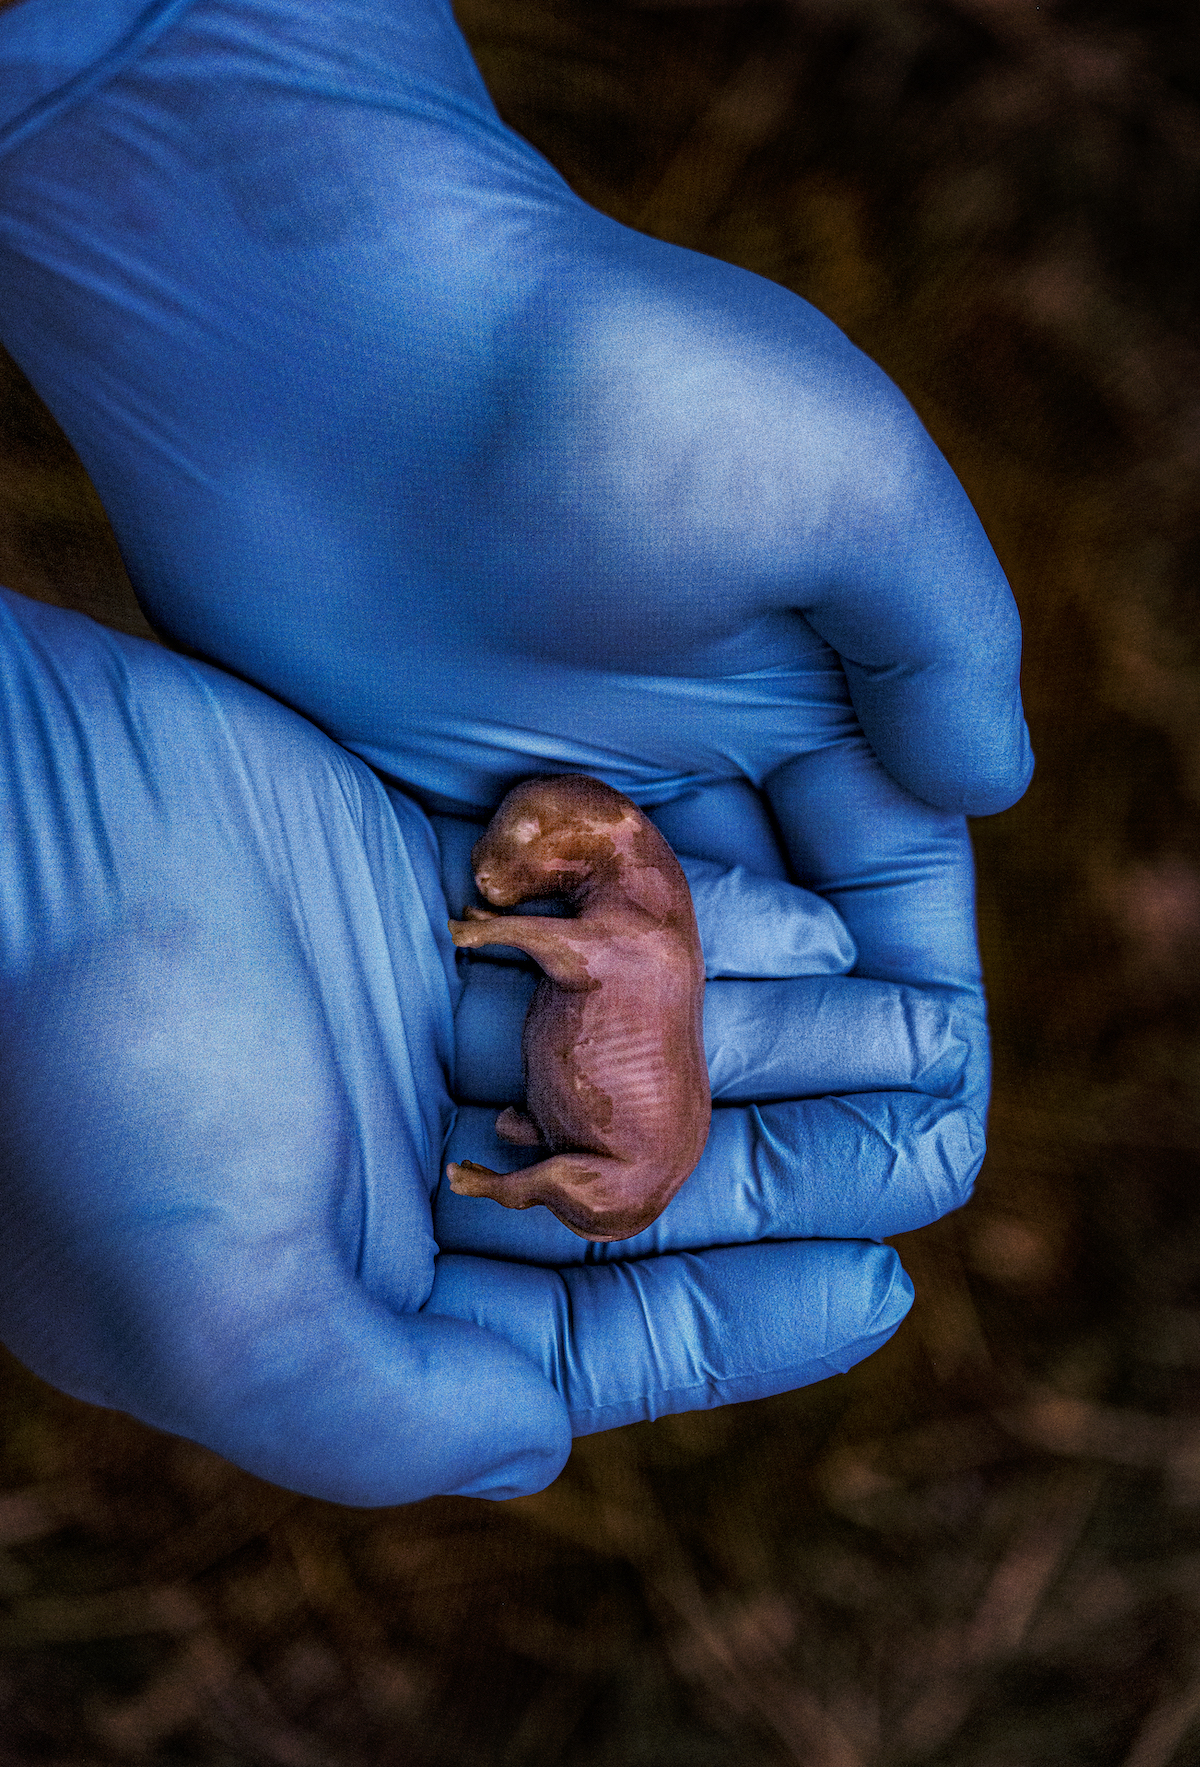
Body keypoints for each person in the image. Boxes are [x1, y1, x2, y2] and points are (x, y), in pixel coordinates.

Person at [0, 0, 1032, 1504]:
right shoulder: (617, 920)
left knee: (553, 1170)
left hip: (597, 1140)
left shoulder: (624, 931)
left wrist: (167, 57)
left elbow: (587, 957)